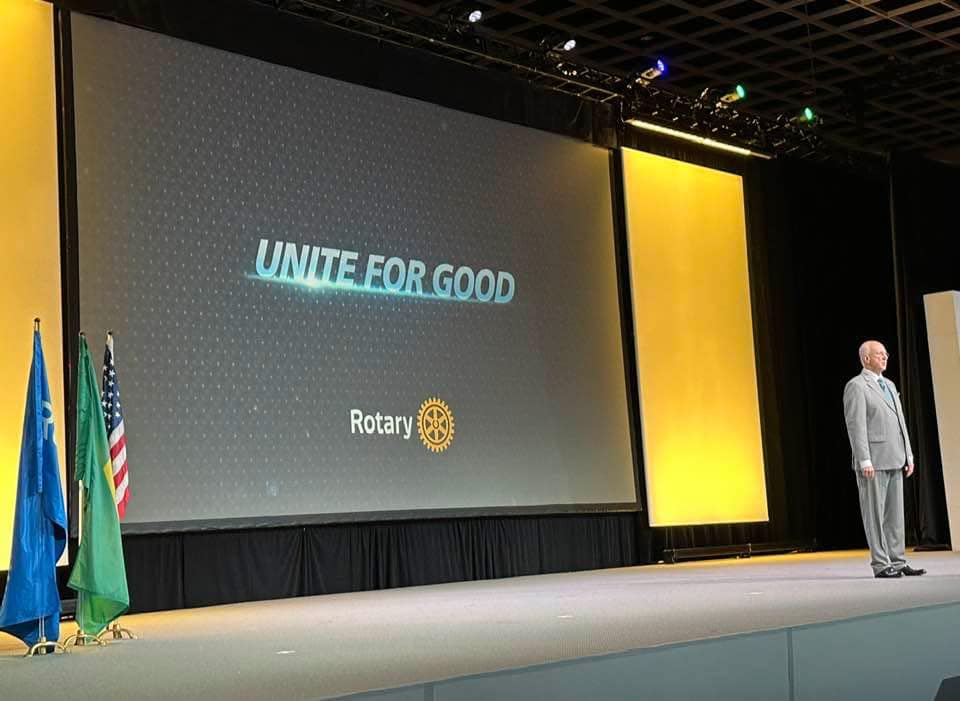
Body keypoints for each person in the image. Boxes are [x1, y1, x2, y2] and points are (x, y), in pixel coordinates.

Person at [842, 340, 926, 578]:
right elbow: (856, 426)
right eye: (879, 354)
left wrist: (908, 454)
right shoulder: (857, 386)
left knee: (895, 516)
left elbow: (900, 421)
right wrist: (864, 459)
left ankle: (898, 561)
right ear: (866, 358)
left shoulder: (889, 384)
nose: (885, 357)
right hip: (874, 461)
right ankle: (880, 564)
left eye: (885, 353)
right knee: (875, 515)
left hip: (895, 457)